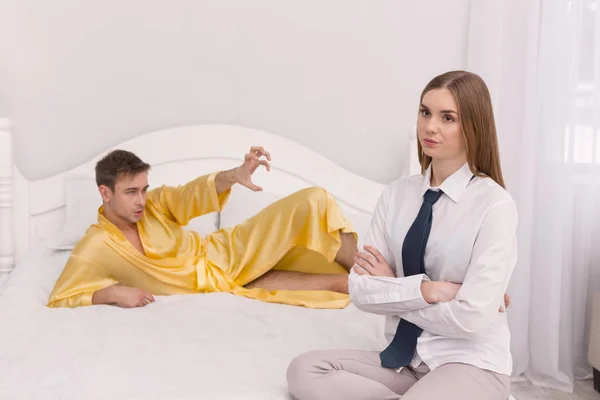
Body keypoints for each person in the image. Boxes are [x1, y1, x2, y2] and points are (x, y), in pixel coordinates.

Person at [286, 70, 517, 400]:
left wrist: (395, 289)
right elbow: (361, 290)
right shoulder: (396, 195)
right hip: (405, 363)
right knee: (304, 371)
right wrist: (434, 290)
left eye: (447, 118)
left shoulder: (494, 205)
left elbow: (473, 318)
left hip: (470, 362)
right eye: (425, 112)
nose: (430, 126)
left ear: (473, 127)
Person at [47, 146, 358, 309]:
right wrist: (112, 294)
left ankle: (373, 272)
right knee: (344, 287)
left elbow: (192, 194)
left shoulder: (156, 203)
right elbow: (62, 297)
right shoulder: (95, 246)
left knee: (314, 200)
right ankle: (375, 284)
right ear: (105, 193)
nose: (141, 200)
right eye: (131, 193)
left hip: (231, 254)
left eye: (144, 189)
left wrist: (235, 175)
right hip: (226, 285)